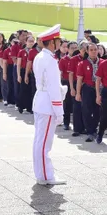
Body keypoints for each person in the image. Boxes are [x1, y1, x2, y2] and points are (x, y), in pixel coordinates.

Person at [32, 25, 66, 186]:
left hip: (40, 100)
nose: (59, 43)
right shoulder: (50, 60)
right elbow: (53, 87)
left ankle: (41, 173)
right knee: (45, 143)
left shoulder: (40, 56)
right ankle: (46, 176)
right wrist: (59, 111)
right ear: (52, 42)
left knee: (39, 141)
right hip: (47, 104)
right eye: (58, 40)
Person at [76, 42, 101, 142]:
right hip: (88, 88)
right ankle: (90, 131)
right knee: (86, 110)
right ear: (87, 51)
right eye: (91, 50)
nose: (94, 52)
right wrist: (78, 92)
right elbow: (79, 79)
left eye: (95, 49)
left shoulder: (102, 62)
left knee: (98, 111)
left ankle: (95, 129)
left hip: (99, 88)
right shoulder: (82, 63)